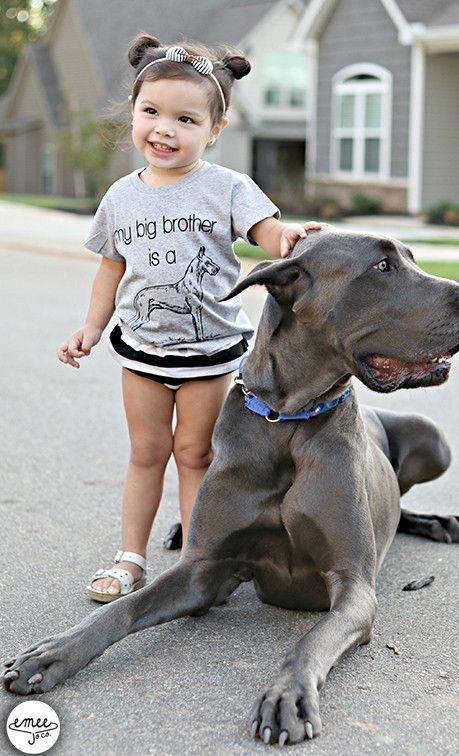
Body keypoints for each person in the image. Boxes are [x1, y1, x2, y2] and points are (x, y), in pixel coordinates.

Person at [57, 34, 320, 602]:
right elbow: (111, 269)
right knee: (147, 452)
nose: (164, 129)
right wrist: (91, 327)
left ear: (215, 129)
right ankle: (131, 559)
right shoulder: (121, 197)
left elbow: (264, 230)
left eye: (185, 119)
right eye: (151, 112)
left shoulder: (226, 188)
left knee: (195, 453)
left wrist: (286, 238)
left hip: (209, 354)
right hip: (143, 351)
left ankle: (200, 561)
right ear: (133, 112)